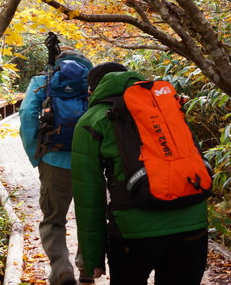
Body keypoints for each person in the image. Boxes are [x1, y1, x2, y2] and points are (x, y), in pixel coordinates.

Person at [71, 62, 209, 285]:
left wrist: (92, 257)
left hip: (133, 233)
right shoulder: (165, 106)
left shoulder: (92, 120)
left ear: (91, 91)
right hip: (191, 223)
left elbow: (89, 197)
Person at [19, 48, 95, 285]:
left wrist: (37, 154)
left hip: (54, 159)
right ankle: (87, 269)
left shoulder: (43, 81)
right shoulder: (94, 83)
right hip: (89, 163)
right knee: (90, 217)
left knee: (53, 219)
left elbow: (27, 113)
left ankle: (62, 269)